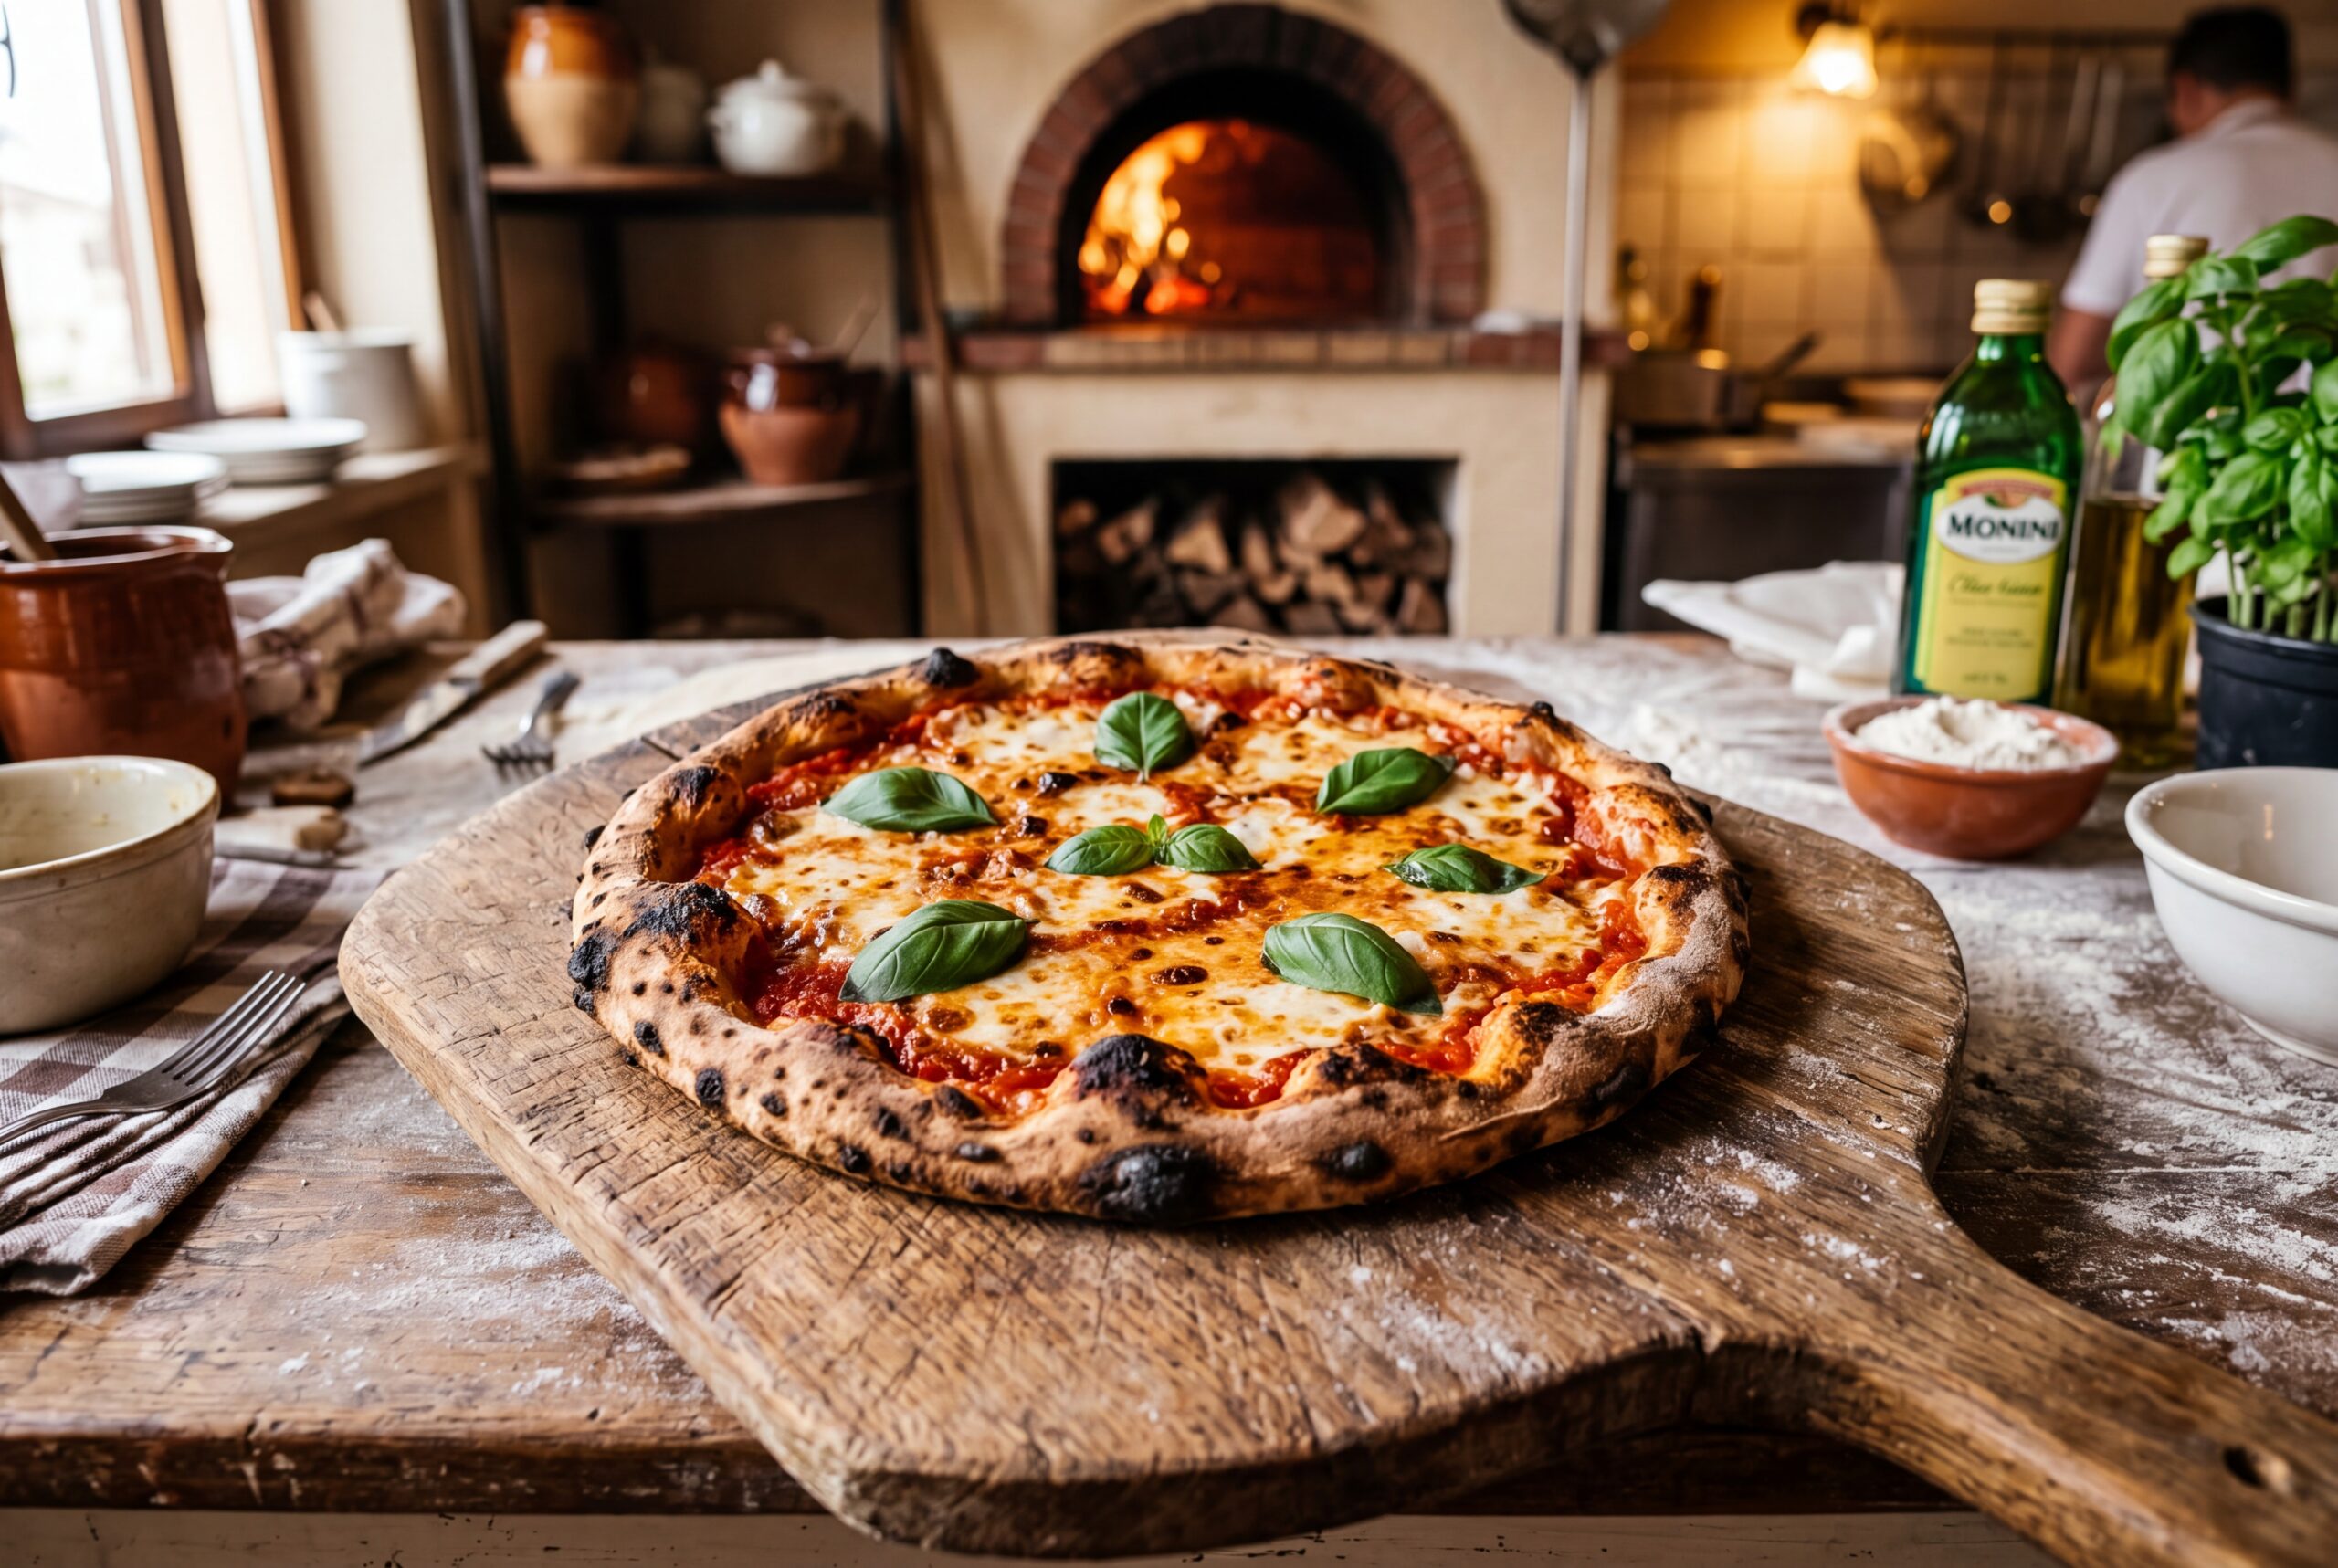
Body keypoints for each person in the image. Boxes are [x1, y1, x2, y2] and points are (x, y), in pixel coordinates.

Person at [2049, 5, 2338, 393]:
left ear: (2185, 90)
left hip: (2186, 447)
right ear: (2292, 85)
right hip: (2318, 444)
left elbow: (2073, 360)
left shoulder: (2150, 179)